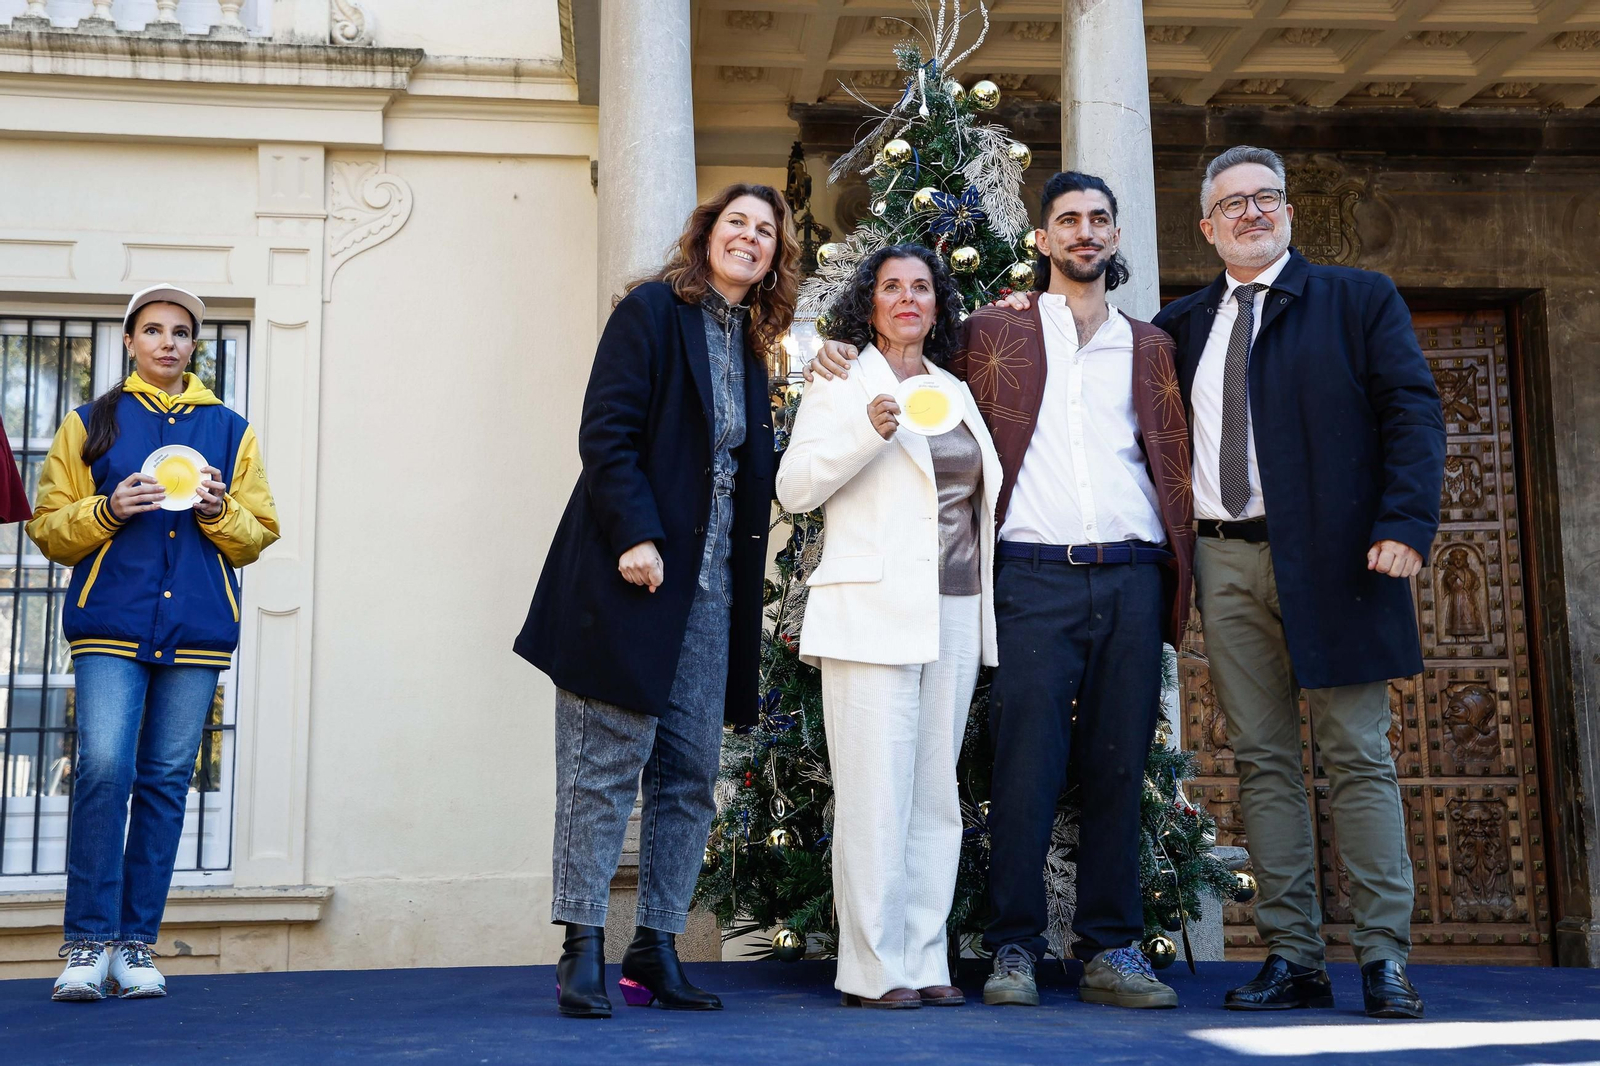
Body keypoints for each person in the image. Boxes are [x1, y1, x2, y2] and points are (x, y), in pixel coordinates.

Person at [809, 173, 1194, 1010]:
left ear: (1116, 236)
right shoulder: (991, 331)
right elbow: (901, 360)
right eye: (1067, 221)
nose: (1084, 233)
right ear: (1043, 240)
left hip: (1130, 570)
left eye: (1098, 219)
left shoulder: (1153, 344)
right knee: (1021, 765)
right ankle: (1012, 947)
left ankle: (1112, 949)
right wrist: (824, 349)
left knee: (1120, 767)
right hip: (1030, 575)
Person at [1152, 146, 1444, 1019]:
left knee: (1357, 753)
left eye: (1265, 198)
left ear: (1287, 214)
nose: (1252, 212)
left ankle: (1385, 959)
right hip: (1223, 559)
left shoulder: (1357, 298)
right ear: (1207, 227)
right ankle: (1294, 957)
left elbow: (1412, 409)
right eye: (1232, 204)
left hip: (1339, 558)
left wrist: (1405, 523)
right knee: (1265, 762)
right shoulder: (1179, 325)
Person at [514, 184, 798, 1018]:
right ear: (707, 234)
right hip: (628, 577)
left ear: (776, 256)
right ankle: (581, 947)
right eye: (736, 223)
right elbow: (606, 428)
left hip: (712, 591)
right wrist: (635, 533)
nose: (749, 238)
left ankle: (657, 944)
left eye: (766, 232)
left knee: (689, 775)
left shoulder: (749, 344)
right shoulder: (649, 310)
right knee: (603, 769)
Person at [30, 284, 279, 1002]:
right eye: (153, 330)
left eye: (180, 332)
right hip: (110, 621)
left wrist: (219, 508)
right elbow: (48, 527)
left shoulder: (231, 430)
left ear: (194, 346)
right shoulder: (90, 425)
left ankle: (135, 946)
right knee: (105, 768)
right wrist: (107, 509)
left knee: (168, 780)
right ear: (131, 342)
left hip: (197, 629)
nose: (167, 342)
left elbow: (259, 533)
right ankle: (86, 944)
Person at [777, 244, 1001, 1010]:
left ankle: (927, 957)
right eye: (891, 287)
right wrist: (863, 433)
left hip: (956, 610)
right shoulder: (842, 379)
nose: (907, 298)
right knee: (874, 795)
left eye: (921, 287)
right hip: (869, 612)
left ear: (938, 305)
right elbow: (796, 487)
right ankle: (873, 971)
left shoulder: (955, 390)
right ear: (868, 305)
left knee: (935, 794)